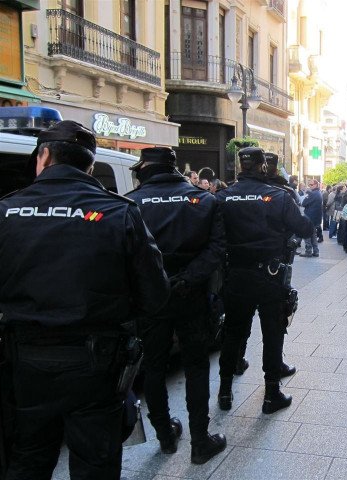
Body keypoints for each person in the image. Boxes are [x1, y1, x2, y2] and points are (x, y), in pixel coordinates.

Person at [0, 121, 170, 479]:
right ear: (90, 167)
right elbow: (155, 295)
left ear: (44, 156)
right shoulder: (119, 212)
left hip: (25, 364)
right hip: (96, 364)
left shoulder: (7, 210)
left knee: (28, 459)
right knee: (95, 465)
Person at [126, 147, 227, 464]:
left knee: (154, 367)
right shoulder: (204, 200)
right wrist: (186, 280)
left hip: (151, 300)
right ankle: (200, 441)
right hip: (191, 297)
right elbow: (217, 249)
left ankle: (165, 437)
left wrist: (154, 284)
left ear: (144, 170)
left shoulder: (130, 204)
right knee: (196, 366)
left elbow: (124, 257)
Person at [216, 147, 313, 414]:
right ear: (263, 167)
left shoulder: (222, 197)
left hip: (236, 274)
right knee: (272, 333)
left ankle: (224, 392)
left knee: (233, 333)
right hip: (270, 275)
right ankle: (271, 394)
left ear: (241, 166)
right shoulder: (279, 196)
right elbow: (305, 228)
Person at [300, 179, 323, 258]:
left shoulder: (313, 194)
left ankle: (308, 251)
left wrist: (306, 197)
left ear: (316, 185)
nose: (309, 186)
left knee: (307, 234)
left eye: (311, 185)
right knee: (313, 234)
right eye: (309, 185)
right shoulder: (318, 193)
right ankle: (316, 251)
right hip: (315, 217)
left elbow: (304, 203)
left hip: (310, 217)